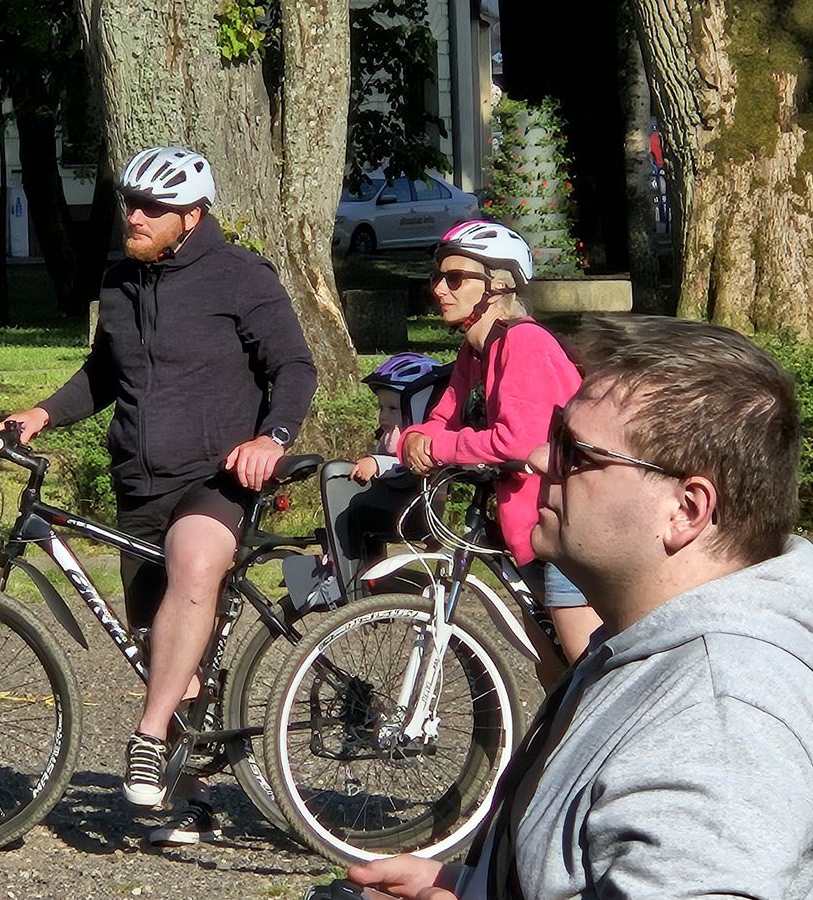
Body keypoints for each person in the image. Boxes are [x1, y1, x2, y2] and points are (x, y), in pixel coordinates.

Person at [348, 314, 813, 898]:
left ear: (686, 510)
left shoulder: (718, 717)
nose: (540, 459)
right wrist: (473, 886)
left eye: (576, 451)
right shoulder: (641, 643)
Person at [1, 145, 317, 846]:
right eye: (130, 203)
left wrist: (272, 438)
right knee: (161, 648)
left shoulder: (241, 277)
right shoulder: (120, 278)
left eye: (152, 208)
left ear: (191, 216)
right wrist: (43, 413)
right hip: (139, 481)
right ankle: (193, 799)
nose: (134, 217)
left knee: (194, 561)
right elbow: (103, 372)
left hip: (217, 477)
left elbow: (294, 365)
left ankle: (146, 735)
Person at [399, 220, 600, 681]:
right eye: (437, 277)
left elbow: (518, 440)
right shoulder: (476, 351)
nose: (439, 290)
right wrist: (415, 438)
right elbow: (441, 419)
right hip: (528, 524)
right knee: (552, 671)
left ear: (499, 286)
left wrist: (438, 446)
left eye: (455, 279)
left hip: (569, 521)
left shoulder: (524, 342)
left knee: (584, 666)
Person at [319, 353, 450, 602]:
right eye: (381, 408)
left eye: (393, 409)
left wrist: (377, 464)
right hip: (398, 502)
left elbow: (409, 464)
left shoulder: (417, 442)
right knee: (357, 516)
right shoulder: (390, 436)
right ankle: (360, 571)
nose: (383, 417)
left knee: (353, 508)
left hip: (409, 507)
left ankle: (352, 580)